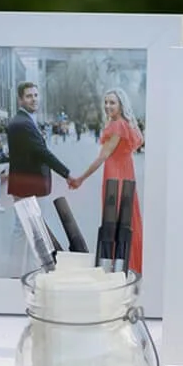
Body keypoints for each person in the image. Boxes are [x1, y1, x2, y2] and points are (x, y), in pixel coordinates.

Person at [71, 88, 146, 274]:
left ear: (121, 104)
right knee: (126, 221)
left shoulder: (117, 125)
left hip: (115, 177)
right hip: (126, 174)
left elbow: (102, 157)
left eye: (112, 102)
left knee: (113, 221)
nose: (107, 106)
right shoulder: (125, 124)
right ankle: (127, 264)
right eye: (106, 102)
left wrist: (81, 178)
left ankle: (116, 266)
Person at [6, 81, 79, 199]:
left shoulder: (24, 120)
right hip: (25, 187)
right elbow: (42, 152)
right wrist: (67, 174)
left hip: (25, 186)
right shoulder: (23, 123)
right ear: (20, 100)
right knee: (29, 218)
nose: (34, 99)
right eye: (29, 96)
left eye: (35, 95)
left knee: (30, 218)